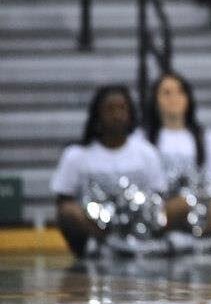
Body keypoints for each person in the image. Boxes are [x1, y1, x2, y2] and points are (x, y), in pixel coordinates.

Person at [50, 85, 167, 258]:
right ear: (97, 115)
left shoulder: (146, 153)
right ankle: (111, 245)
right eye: (109, 109)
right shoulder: (76, 155)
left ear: (131, 113)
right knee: (68, 212)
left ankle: (141, 245)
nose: (117, 115)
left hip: (139, 223)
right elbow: (63, 202)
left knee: (179, 205)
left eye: (122, 108)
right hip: (96, 225)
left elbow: (159, 198)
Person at [142, 72, 211, 244]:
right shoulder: (143, 137)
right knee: (178, 206)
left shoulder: (206, 137)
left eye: (180, 92)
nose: (174, 98)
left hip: (198, 202)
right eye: (166, 93)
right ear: (155, 100)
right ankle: (187, 236)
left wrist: (201, 194)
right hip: (161, 205)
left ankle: (187, 238)